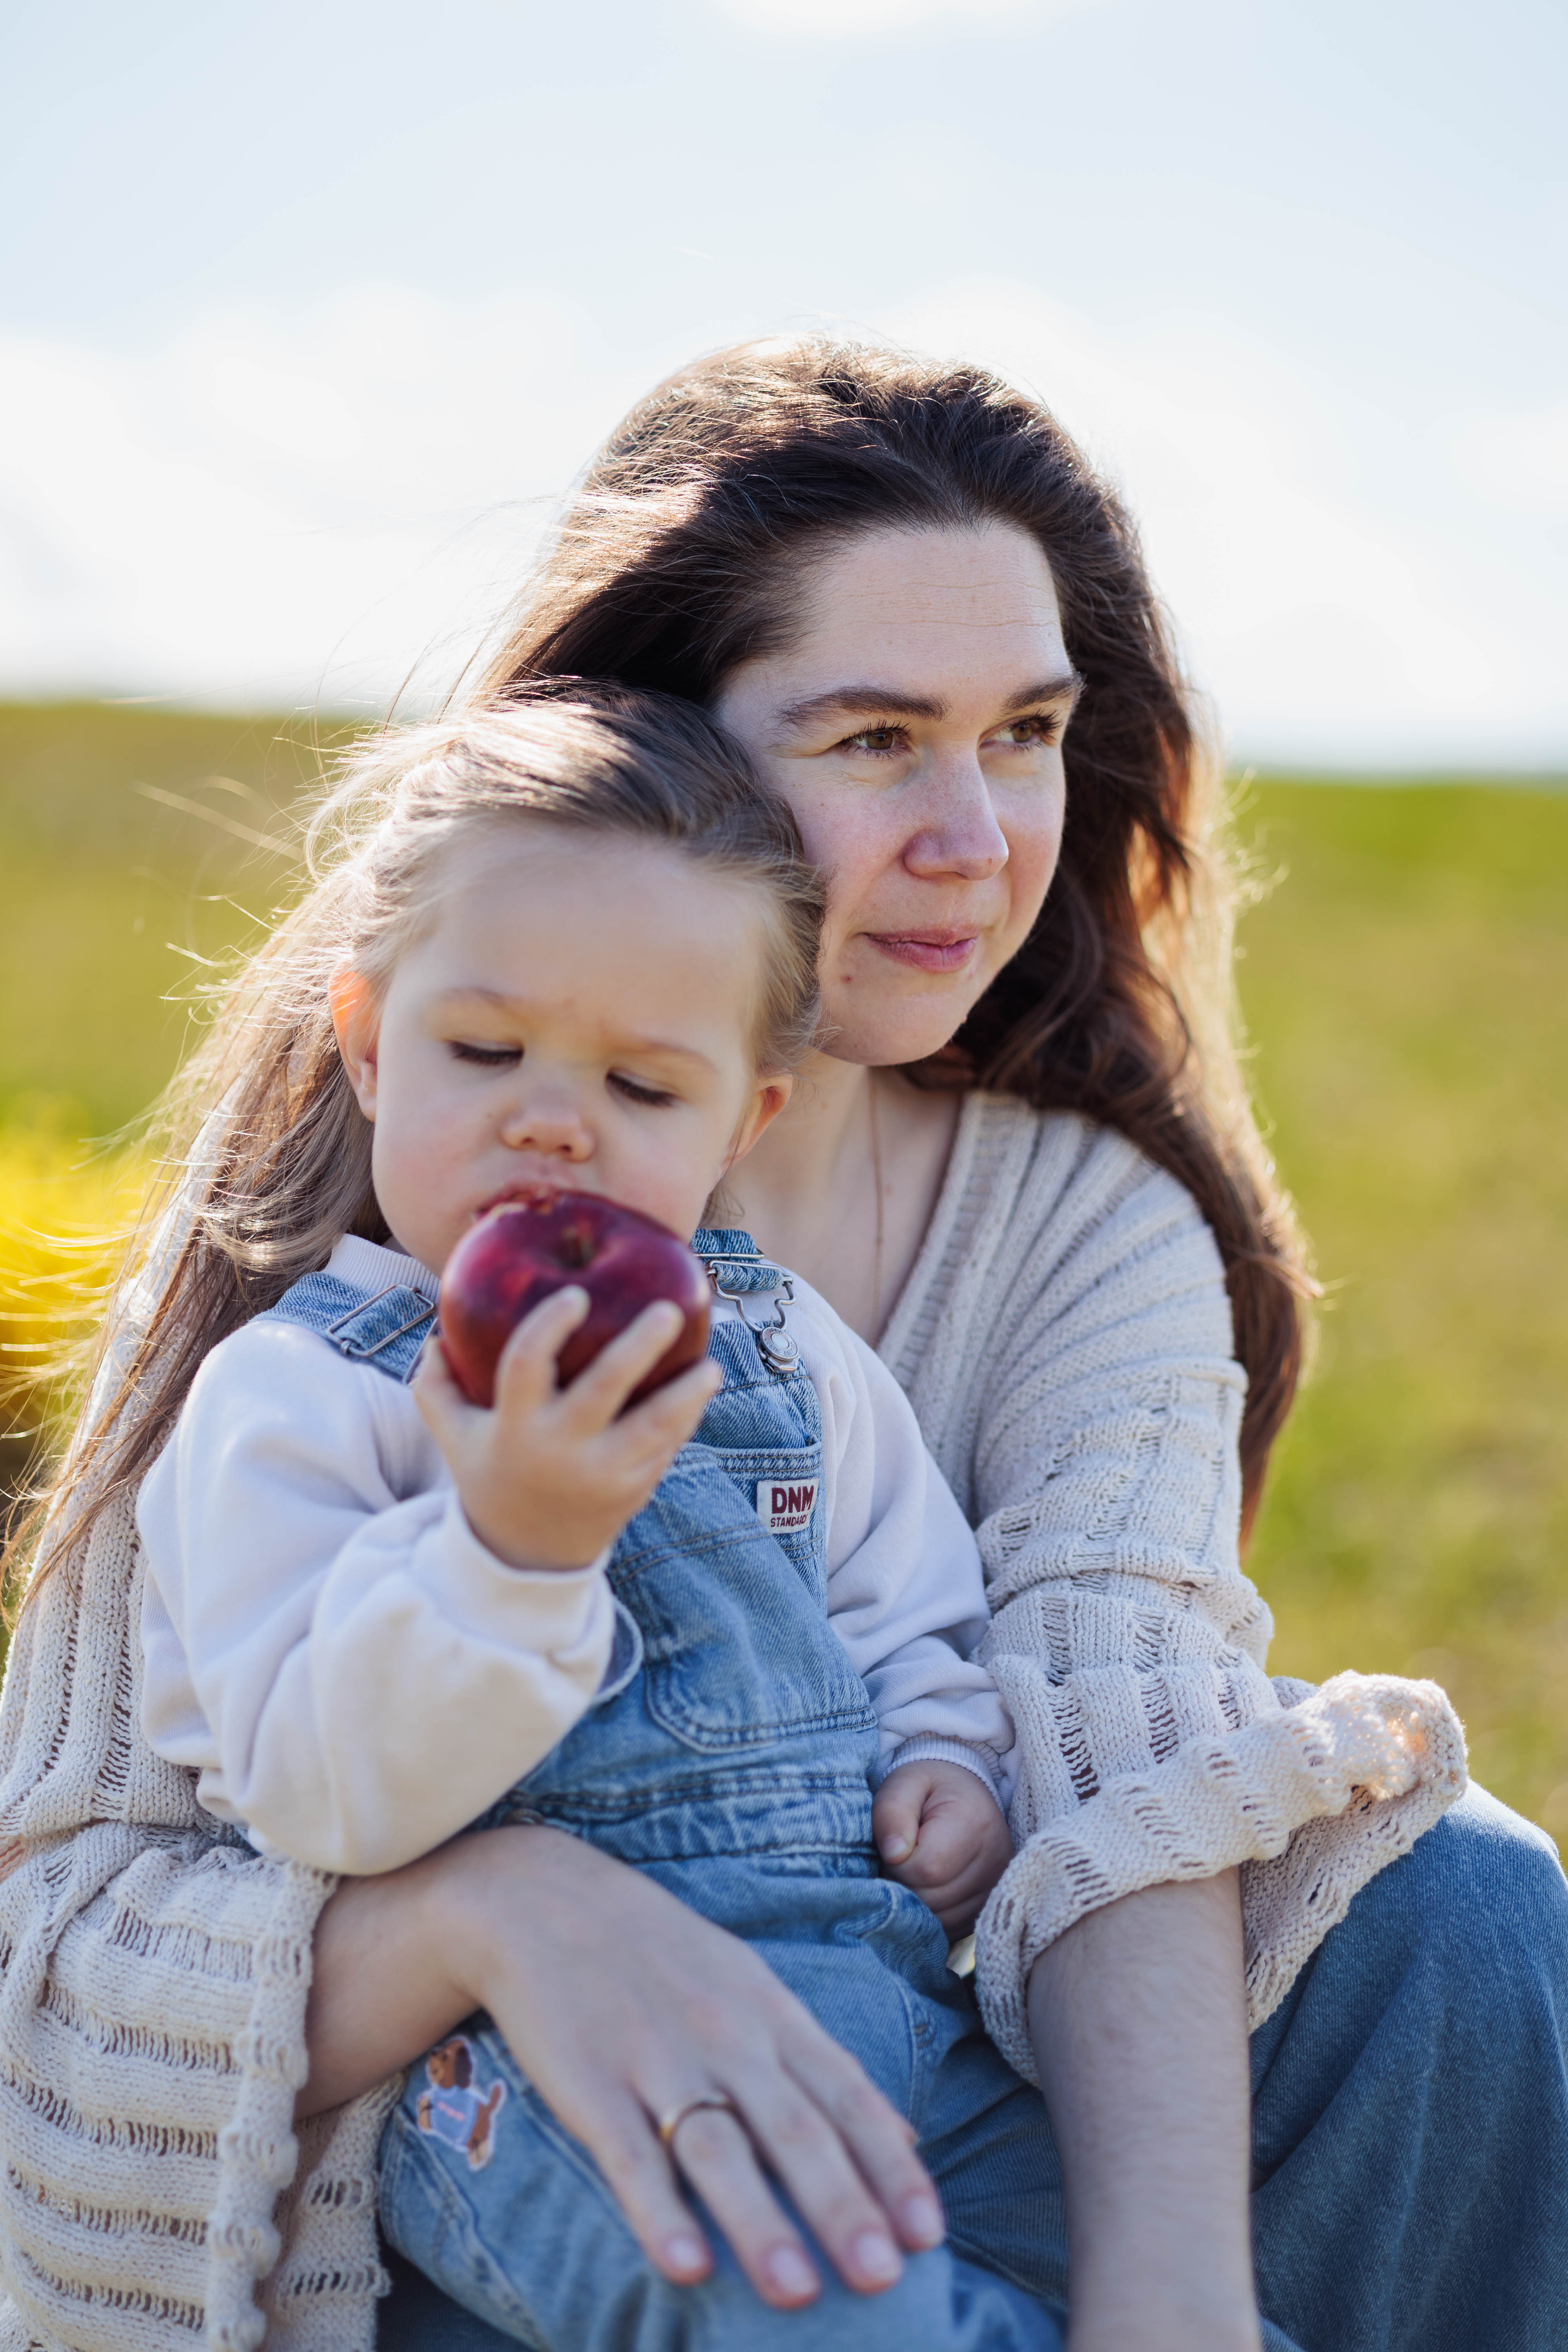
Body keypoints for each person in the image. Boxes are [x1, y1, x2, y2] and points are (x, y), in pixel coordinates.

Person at [0, 340, 1559, 2352]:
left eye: (1022, 735)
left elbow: (1121, 1742)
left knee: (1465, 1906)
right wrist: (490, 1916)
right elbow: (62, 1939)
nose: (976, 837)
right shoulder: (330, 1283)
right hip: (511, 2143)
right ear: (661, 755)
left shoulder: (1070, 1227)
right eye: (875, 738)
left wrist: (1169, 2305)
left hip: (894, 2013)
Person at [132, 684, 1063, 2347]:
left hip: (882, 2009)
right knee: (824, 2318)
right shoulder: (301, 1403)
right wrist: (510, 1549)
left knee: (1109, 2260)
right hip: (538, 2086)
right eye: (483, 1054)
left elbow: (910, 1610)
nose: (552, 1119)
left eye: (643, 1087)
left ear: (743, 1121)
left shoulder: (786, 1357)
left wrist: (945, 1763)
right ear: (366, 1040)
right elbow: (319, 1797)